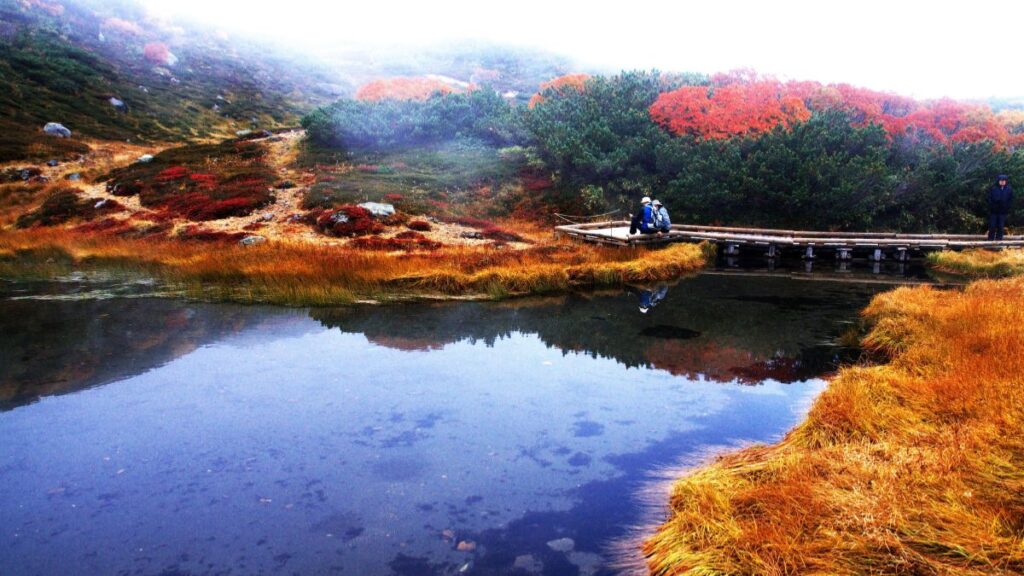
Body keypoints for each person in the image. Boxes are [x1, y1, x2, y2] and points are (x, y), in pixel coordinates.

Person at [988, 174, 1014, 240]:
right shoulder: (993, 188)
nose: (1002, 182)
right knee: (992, 226)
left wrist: (1007, 207)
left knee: (1000, 227)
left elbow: (1010, 199)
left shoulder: (1009, 189)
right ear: (998, 181)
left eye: (1004, 181)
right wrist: (992, 206)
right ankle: (990, 242)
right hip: (994, 211)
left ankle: (999, 243)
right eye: (1001, 180)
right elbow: (989, 198)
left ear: (1006, 181)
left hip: (1003, 212)